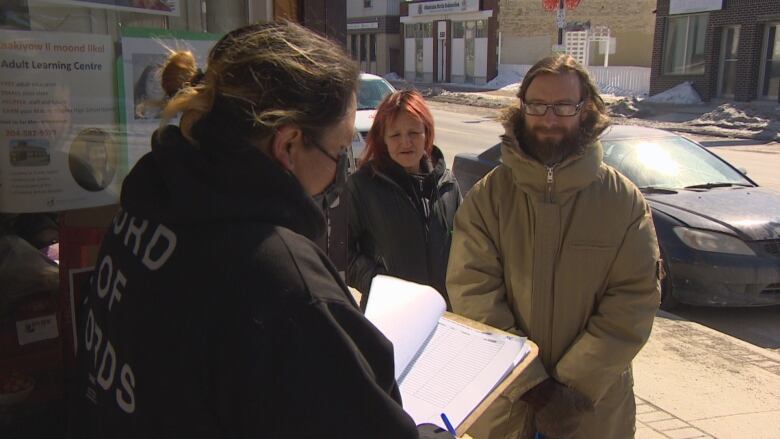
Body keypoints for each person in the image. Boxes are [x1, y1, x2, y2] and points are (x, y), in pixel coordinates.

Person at [68, 22, 453, 439]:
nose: (343, 170)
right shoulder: (282, 284)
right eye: (340, 150)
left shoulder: (147, 206)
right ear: (288, 146)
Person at [446, 54, 661, 439]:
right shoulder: (489, 197)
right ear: (521, 109)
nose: (549, 119)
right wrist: (532, 386)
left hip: (591, 413)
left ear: (586, 109)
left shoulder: (622, 201)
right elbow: (472, 292)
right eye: (537, 106)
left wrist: (571, 389)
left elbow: (634, 301)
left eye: (563, 106)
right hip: (505, 408)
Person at [346, 90, 461, 308]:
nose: (406, 142)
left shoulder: (447, 185)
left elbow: (466, 249)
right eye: (395, 135)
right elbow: (338, 251)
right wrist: (376, 281)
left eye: (414, 133)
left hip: (443, 314)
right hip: (389, 313)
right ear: (383, 140)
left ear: (427, 133)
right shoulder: (362, 186)